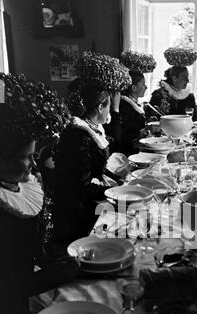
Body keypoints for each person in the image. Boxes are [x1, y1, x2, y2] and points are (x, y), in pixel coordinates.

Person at [0, 73, 79, 314]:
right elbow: (6, 286)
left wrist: (57, 260)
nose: (34, 164)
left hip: (31, 294)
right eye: (28, 156)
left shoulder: (20, 183)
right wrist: (55, 274)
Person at [52, 53, 132, 246]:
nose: (110, 111)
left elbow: (98, 165)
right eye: (108, 107)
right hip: (78, 212)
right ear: (99, 107)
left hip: (88, 198)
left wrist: (118, 180)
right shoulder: (80, 136)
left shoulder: (93, 128)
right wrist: (114, 190)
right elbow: (82, 186)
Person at [119, 69, 147, 156]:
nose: (146, 87)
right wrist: (143, 131)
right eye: (143, 84)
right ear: (134, 88)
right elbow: (124, 136)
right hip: (129, 153)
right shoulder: (124, 106)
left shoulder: (133, 104)